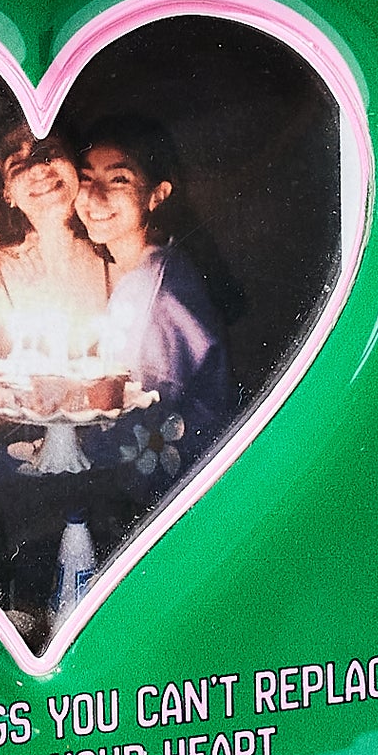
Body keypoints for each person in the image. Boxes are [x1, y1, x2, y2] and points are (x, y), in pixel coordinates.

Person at [74, 115, 233, 489]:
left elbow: (134, 432)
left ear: (157, 195)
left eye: (119, 179)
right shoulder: (146, 267)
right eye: (86, 178)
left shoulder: (156, 290)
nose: (95, 196)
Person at [0, 114, 109, 322]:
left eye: (49, 151)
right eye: (16, 163)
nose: (37, 167)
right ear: (6, 193)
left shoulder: (114, 251)